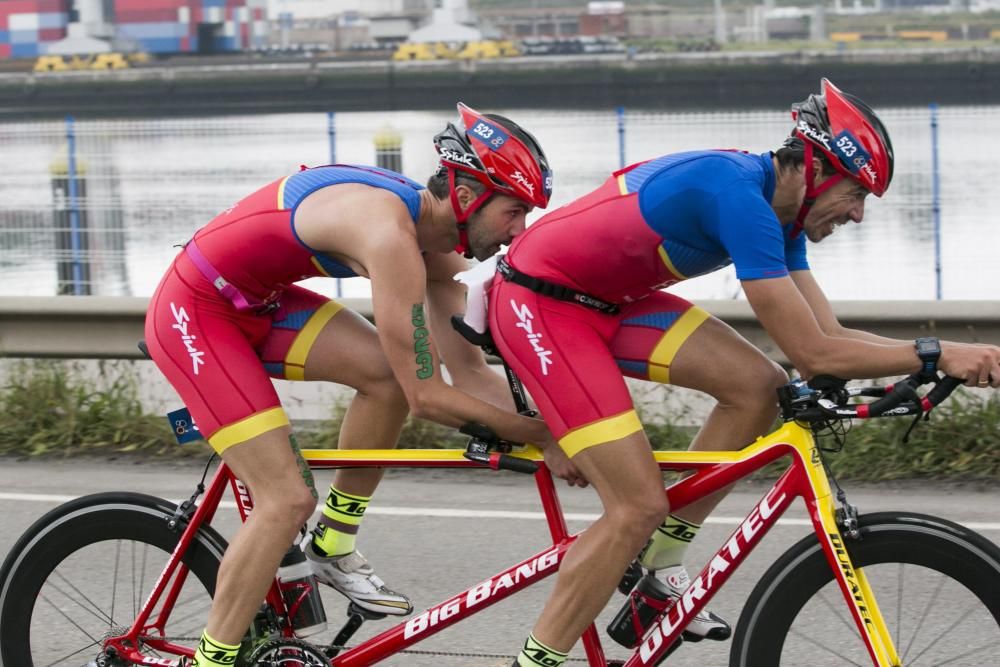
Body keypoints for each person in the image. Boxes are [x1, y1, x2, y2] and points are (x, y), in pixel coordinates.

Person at [487, 78, 1000, 667]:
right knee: (635, 506)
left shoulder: (782, 221)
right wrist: (936, 353)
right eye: (856, 193)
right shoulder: (738, 197)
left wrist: (930, 354)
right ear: (813, 168)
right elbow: (818, 355)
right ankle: (538, 660)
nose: (858, 215)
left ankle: (658, 568)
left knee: (759, 387)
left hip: (612, 302)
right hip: (541, 306)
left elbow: (828, 335)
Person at [144, 103, 582, 667]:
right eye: (515, 211)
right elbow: (428, 394)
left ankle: (331, 542)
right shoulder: (391, 236)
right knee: (285, 499)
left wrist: (575, 433)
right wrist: (543, 435)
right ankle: (211, 660)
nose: (521, 230)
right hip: (197, 311)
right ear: (469, 197)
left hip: (258, 303)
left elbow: (468, 372)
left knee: (384, 374)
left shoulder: (434, 241)